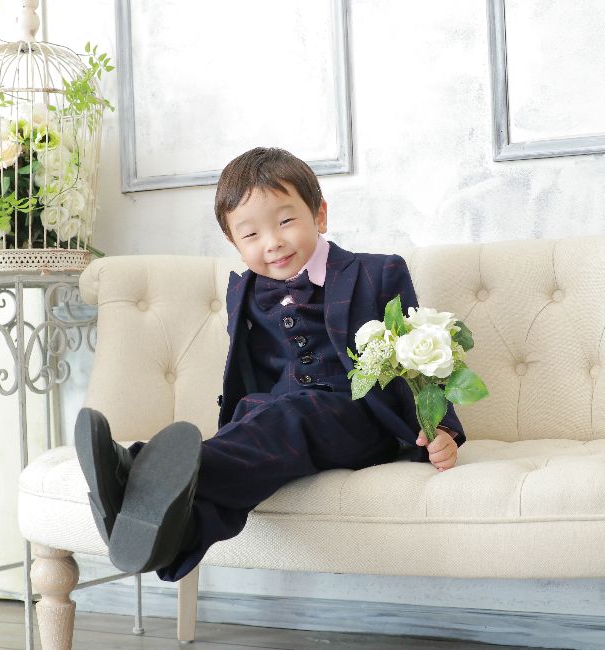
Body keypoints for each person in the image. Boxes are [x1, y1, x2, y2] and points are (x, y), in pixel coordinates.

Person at [76, 147, 465, 582]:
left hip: (362, 419)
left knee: (293, 414)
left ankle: (134, 471)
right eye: (251, 234)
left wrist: (442, 429)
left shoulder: (378, 272)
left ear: (319, 215)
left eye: (285, 222)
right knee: (257, 424)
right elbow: (252, 375)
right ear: (234, 243)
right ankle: (173, 538)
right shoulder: (243, 291)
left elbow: (421, 357)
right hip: (279, 415)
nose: (272, 242)